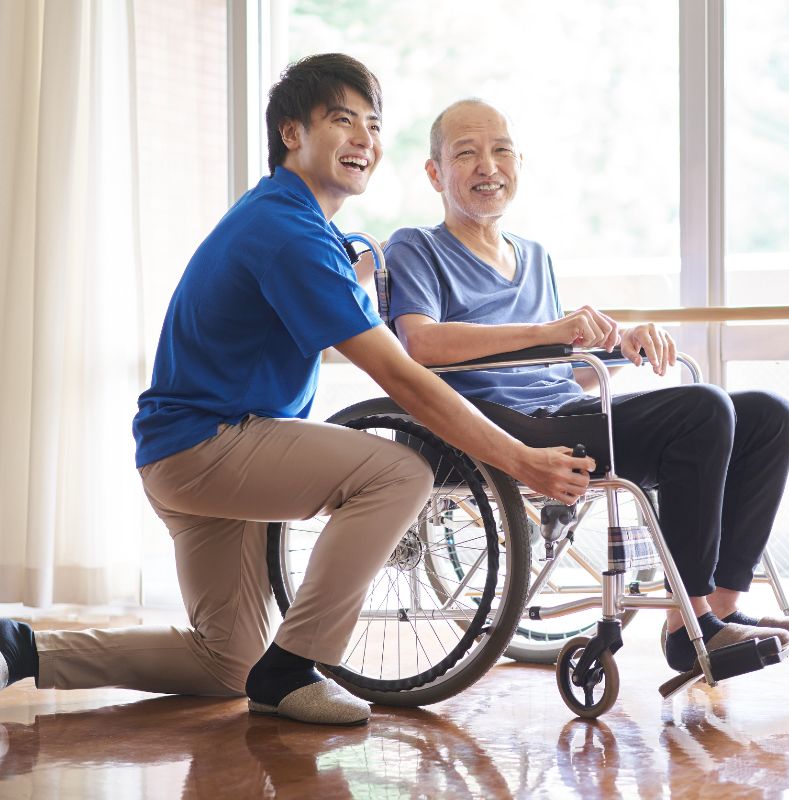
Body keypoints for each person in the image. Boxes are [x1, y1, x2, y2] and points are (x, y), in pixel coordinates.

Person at [0, 57, 593, 726]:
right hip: (210, 446)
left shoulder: (297, 224)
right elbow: (401, 375)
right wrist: (521, 459)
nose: (364, 139)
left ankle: (19, 648)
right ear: (292, 133)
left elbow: (345, 301)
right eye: (342, 119)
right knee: (400, 471)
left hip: (187, 454)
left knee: (224, 665)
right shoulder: (288, 234)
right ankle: (295, 667)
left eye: (373, 124)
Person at [382, 98, 789, 675]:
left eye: (500, 151)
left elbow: (558, 368)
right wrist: (552, 329)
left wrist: (619, 347)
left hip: (561, 407)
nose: (487, 167)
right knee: (702, 409)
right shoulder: (415, 247)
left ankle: (715, 616)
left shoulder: (535, 256)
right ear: (434, 173)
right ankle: (692, 621)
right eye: (466, 154)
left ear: (519, 162)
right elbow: (420, 344)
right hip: (491, 421)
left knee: (767, 414)